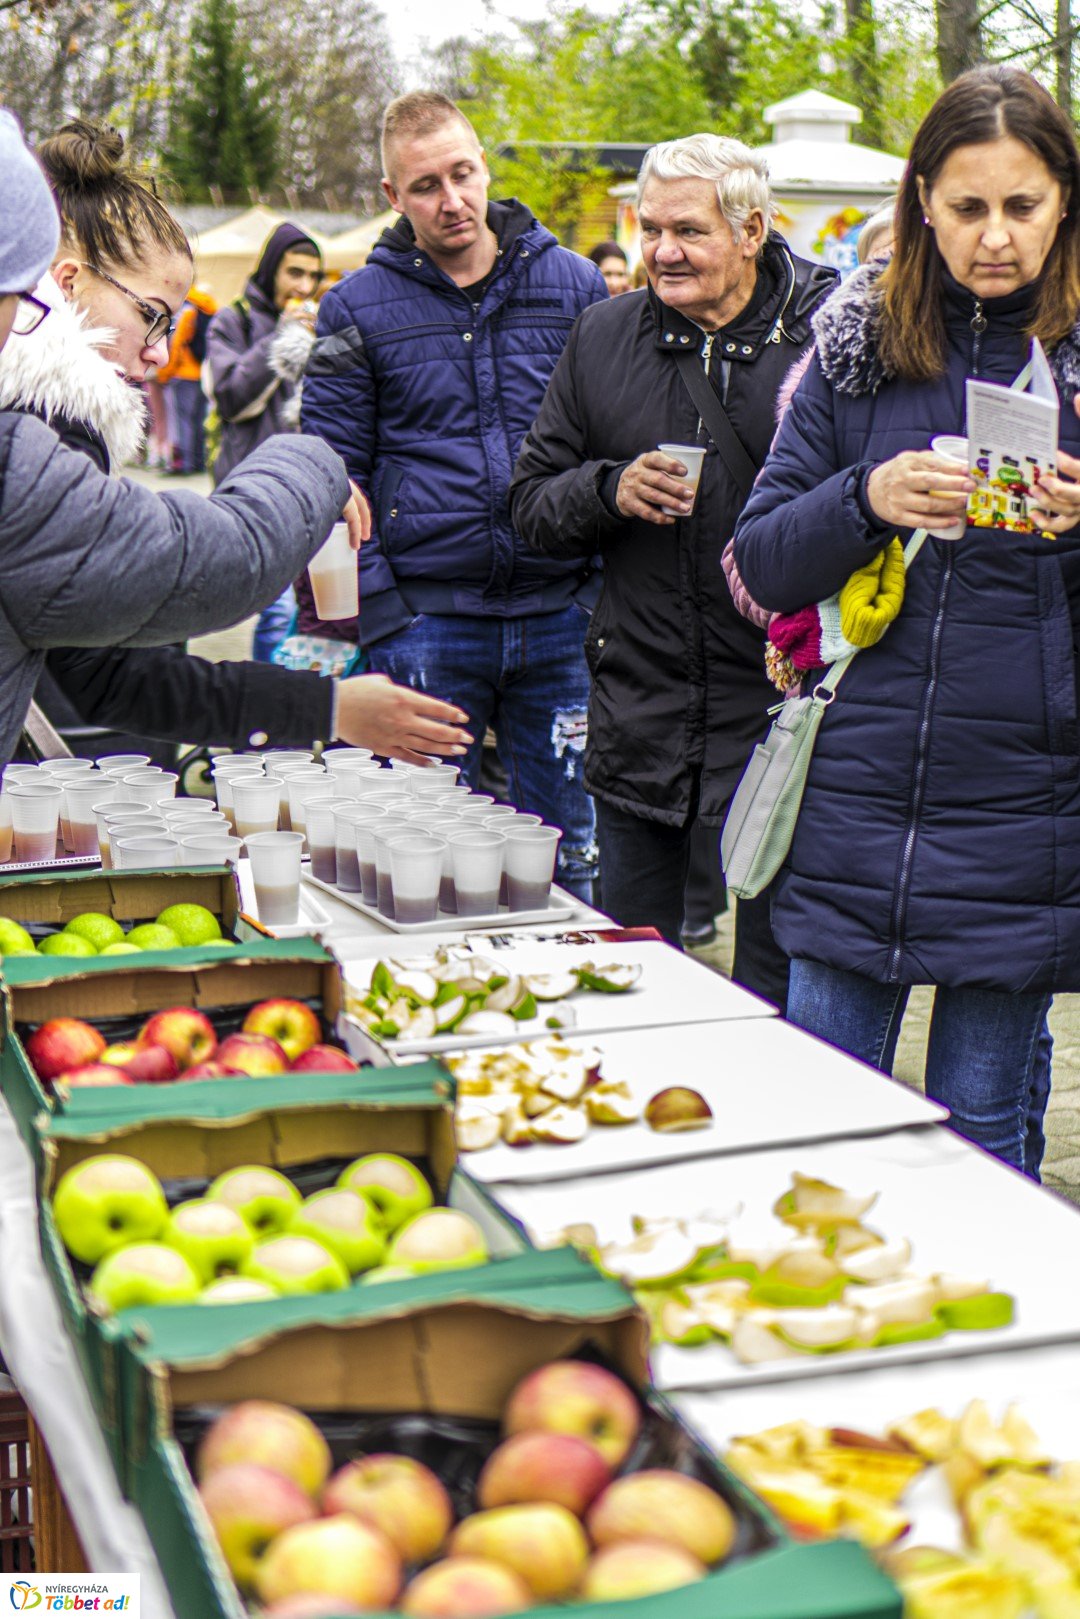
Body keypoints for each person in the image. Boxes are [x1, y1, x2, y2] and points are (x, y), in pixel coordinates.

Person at [732, 65, 1080, 1176]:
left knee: (982, 1140)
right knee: (829, 1137)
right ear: (922, 199)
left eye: (1020, 206)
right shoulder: (858, 345)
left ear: (1064, 200)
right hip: (854, 808)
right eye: (968, 207)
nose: (993, 238)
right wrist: (866, 498)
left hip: (1028, 818)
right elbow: (759, 557)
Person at [16, 119, 469, 767]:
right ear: (66, 283)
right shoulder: (32, 431)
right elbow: (213, 562)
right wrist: (313, 467)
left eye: (171, 326)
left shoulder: (59, 429)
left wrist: (331, 710)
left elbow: (108, 677)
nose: (159, 351)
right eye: (150, 315)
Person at [510, 134, 837, 1005]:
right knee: (638, 978)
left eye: (686, 230)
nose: (660, 251)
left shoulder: (830, 338)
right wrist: (610, 489)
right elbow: (530, 505)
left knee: (782, 987)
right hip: (641, 702)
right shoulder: (603, 334)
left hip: (783, 711)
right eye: (649, 228)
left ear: (754, 229)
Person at [300, 91, 608, 900]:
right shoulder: (355, 306)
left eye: (463, 174)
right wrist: (382, 609)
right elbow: (332, 480)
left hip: (560, 619)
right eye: (427, 185)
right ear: (392, 198)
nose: (452, 200)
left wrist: (596, 593)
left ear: (485, 165)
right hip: (429, 625)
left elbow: (614, 443)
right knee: (424, 856)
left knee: (568, 856)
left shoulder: (574, 286)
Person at [206, 223, 323, 662]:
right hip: (253, 484)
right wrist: (279, 338)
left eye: (313, 276)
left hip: (308, 488)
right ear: (272, 268)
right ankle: (268, 716)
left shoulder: (318, 323)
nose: (304, 286)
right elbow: (233, 398)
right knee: (279, 611)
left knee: (300, 613)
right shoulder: (232, 319)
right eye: (295, 272)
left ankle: (282, 705)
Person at [157, 281, 216, 473]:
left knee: (183, 419)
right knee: (199, 419)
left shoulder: (188, 311)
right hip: (204, 373)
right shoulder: (210, 309)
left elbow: (177, 345)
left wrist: (165, 374)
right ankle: (199, 462)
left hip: (185, 374)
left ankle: (184, 463)